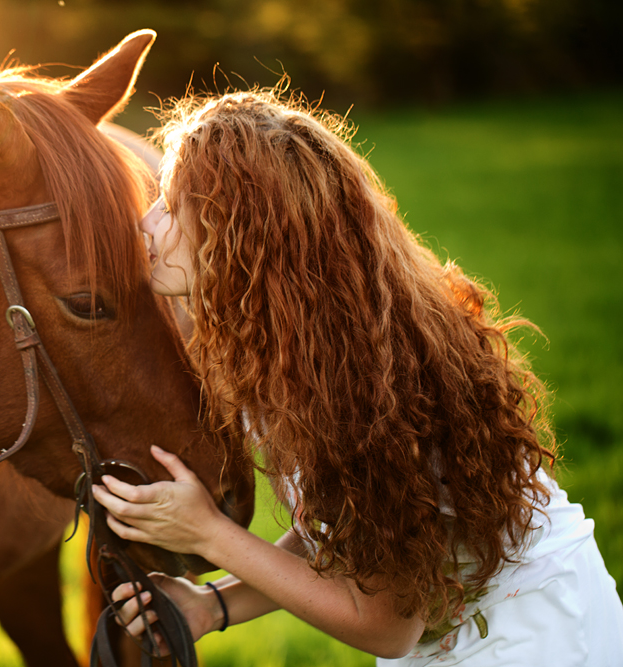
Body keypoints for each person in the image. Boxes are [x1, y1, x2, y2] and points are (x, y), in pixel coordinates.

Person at [91, 88, 623, 665]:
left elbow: (386, 626)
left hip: (532, 636)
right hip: (460, 631)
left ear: (242, 231)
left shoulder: (369, 389)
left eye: (170, 206)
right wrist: (212, 605)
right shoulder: (300, 344)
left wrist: (208, 534)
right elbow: (346, 527)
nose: (146, 222)